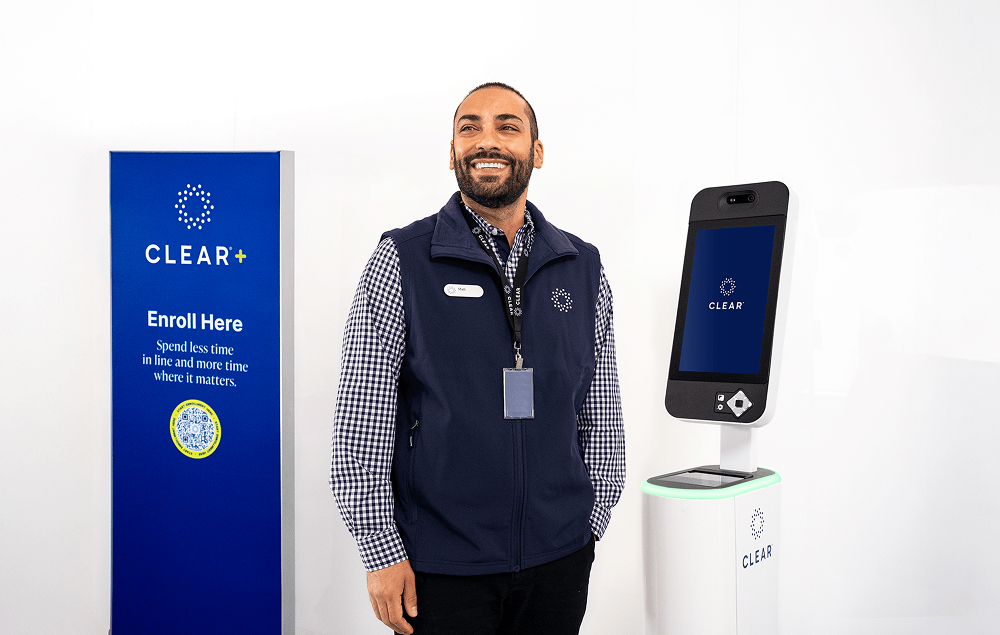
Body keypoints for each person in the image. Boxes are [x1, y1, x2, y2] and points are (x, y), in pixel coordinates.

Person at [331, 82, 625, 635]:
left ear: (537, 151)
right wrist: (380, 552)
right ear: (451, 153)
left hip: (558, 563)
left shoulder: (582, 266)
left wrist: (589, 523)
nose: (486, 141)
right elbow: (361, 423)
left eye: (507, 127)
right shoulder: (402, 260)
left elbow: (600, 410)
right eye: (470, 128)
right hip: (441, 567)